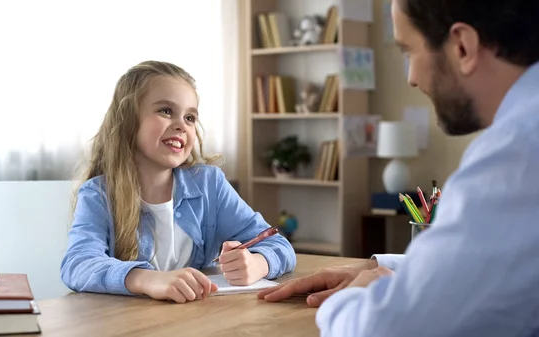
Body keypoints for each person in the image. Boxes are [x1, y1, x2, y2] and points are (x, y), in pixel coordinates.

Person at [259, 0, 539, 335]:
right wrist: (389, 270)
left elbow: (388, 329)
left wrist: (348, 300)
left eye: (408, 51)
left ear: (463, 45)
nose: (411, 78)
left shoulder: (517, 153)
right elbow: (502, 258)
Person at [60, 60, 296, 304]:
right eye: (165, 111)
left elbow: (278, 244)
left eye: (190, 117)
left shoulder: (209, 185)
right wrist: (147, 279)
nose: (181, 125)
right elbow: (78, 264)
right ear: (128, 120)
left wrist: (258, 263)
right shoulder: (98, 194)